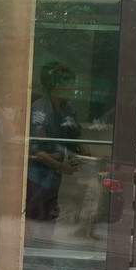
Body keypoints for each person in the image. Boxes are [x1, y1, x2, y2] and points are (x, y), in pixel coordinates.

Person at [26, 62, 89, 225]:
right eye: (70, 84)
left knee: (51, 217)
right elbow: (35, 151)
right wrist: (61, 166)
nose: (73, 88)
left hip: (54, 177)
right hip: (38, 177)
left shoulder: (68, 109)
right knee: (35, 219)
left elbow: (75, 133)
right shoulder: (39, 110)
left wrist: (87, 155)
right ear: (57, 86)